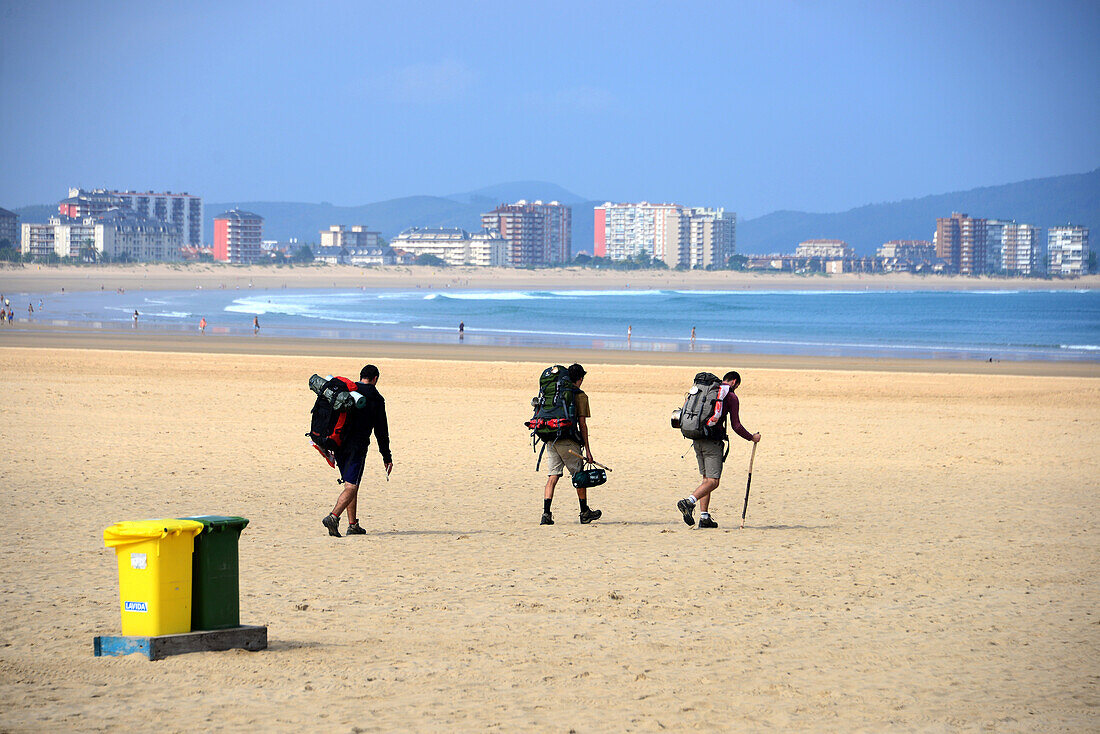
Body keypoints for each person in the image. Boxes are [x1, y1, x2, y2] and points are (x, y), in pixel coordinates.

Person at [677, 370, 760, 529]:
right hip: (712, 442)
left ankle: (704, 517)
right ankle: (689, 502)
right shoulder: (730, 396)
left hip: (696, 437)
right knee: (714, 482)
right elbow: (736, 425)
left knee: (706, 479)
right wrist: (751, 437)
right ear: (735, 382)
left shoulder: (706, 391)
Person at [322, 364, 393, 537]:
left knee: (350, 483)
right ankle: (333, 516)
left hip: (338, 443)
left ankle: (353, 525)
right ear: (375, 379)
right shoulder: (376, 398)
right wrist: (387, 456)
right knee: (352, 486)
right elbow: (381, 431)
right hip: (357, 447)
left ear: (361, 376)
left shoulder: (346, 391)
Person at [540, 363, 601, 526]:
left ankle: (546, 514)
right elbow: (583, 425)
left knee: (552, 476)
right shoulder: (580, 396)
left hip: (551, 437)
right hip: (568, 441)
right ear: (580, 379)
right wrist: (588, 450)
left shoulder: (557, 393)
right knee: (579, 476)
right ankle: (584, 512)